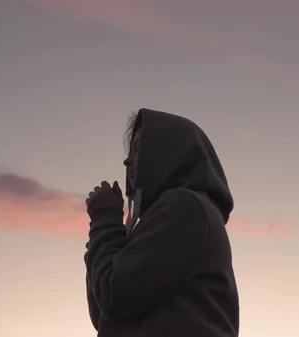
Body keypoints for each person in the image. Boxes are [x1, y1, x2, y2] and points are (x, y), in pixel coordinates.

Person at [84, 108, 239, 337]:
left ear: (167, 153)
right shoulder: (161, 218)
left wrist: (105, 221)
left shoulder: (185, 208)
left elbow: (114, 295)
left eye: (138, 149)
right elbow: (103, 315)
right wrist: (104, 229)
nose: (127, 161)